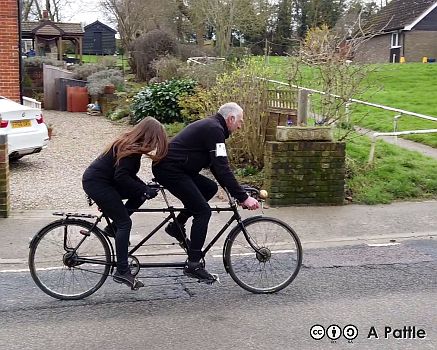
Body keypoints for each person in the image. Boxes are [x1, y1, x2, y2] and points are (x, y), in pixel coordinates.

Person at [152, 102, 259, 283]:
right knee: (203, 211)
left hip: (178, 169)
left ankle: (176, 226)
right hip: (170, 170)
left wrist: (236, 193)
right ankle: (194, 263)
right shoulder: (214, 130)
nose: (240, 126)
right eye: (240, 121)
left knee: (209, 188)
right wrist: (243, 197)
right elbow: (222, 167)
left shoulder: (214, 128)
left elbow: (217, 167)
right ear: (230, 119)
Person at [82, 117, 168, 288]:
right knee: (125, 223)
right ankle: (122, 271)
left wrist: (144, 187)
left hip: (106, 182)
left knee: (140, 194)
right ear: (148, 136)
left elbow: (126, 175)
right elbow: (121, 177)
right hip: (98, 184)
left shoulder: (131, 146)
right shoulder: (129, 150)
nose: (154, 147)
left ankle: (112, 228)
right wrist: (143, 189)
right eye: (154, 142)